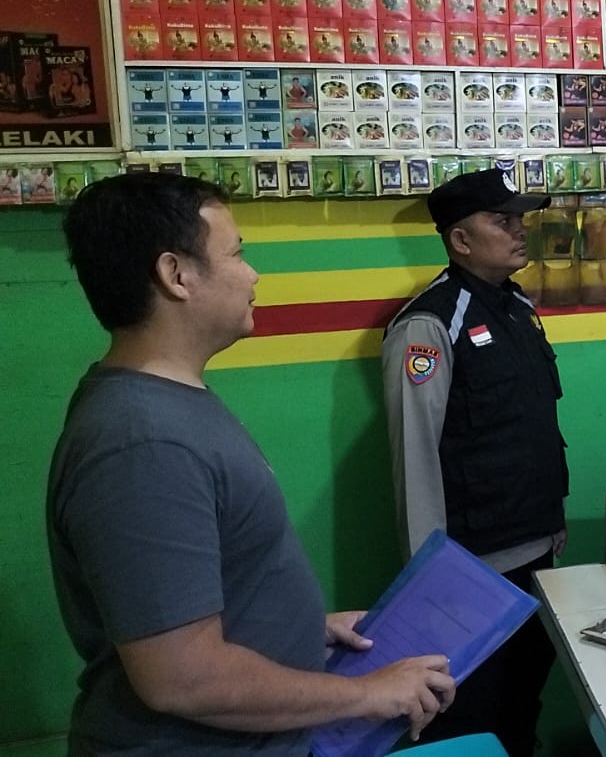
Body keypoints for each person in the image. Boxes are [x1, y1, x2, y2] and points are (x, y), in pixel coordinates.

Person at [48, 174, 455, 755]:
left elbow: (189, 598)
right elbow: (183, 678)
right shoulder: (142, 443)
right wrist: (369, 693)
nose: (253, 274)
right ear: (176, 275)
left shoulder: (169, 406)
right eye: (237, 253)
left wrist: (305, 628)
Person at [382, 169, 566, 755]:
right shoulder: (430, 323)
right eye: (502, 221)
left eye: (520, 219)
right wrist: (429, 581)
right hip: (471, 571)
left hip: (536, 553)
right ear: (460, 240)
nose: (520, 231)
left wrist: (553, 529)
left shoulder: (517, 306)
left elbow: (530, 426)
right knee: (468, 715)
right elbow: (414, 458)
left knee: (523, 701)